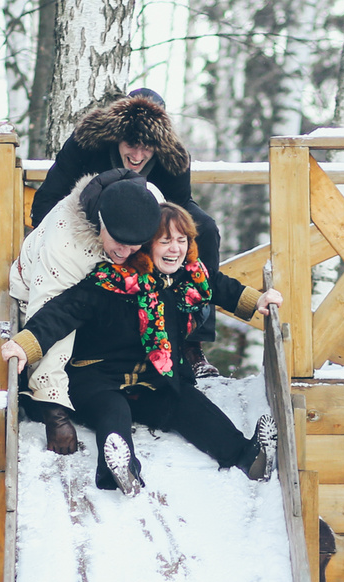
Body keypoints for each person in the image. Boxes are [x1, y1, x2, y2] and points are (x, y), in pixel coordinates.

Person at [2, 202, 282, 497]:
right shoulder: (109, 282)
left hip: (152, 382)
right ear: (147, 245)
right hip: (98, 380)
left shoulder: (190, 277)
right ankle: (120, 469)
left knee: (188, 403)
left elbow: (222, 287)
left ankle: (248, 457)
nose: (175, 249)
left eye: (181, 240)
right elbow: (59, 314)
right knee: (114, 411)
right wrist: (24, 345)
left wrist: (257, 300)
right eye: (165, 241)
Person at [31, 88, 223, 378]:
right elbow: (49, 196)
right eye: (131, 145)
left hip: (148, 222)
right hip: (84, 222)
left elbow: (180, 208)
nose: (137, 155)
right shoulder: (88, 143)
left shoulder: (173, 157)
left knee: (204, 229)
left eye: (147, 147)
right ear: (116, 135)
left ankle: (191, 341)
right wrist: (55, 238)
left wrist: (168, 242)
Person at [10, 168, 163, 456]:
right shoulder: (64, 244)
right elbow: (51, 316)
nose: (127, 251)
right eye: (119, 241)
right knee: (64, 322)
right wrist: (54, 413)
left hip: (100, 292)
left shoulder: (150, 201)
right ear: (101, 223)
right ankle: (42, 397)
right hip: (44, 293)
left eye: (135, 245)